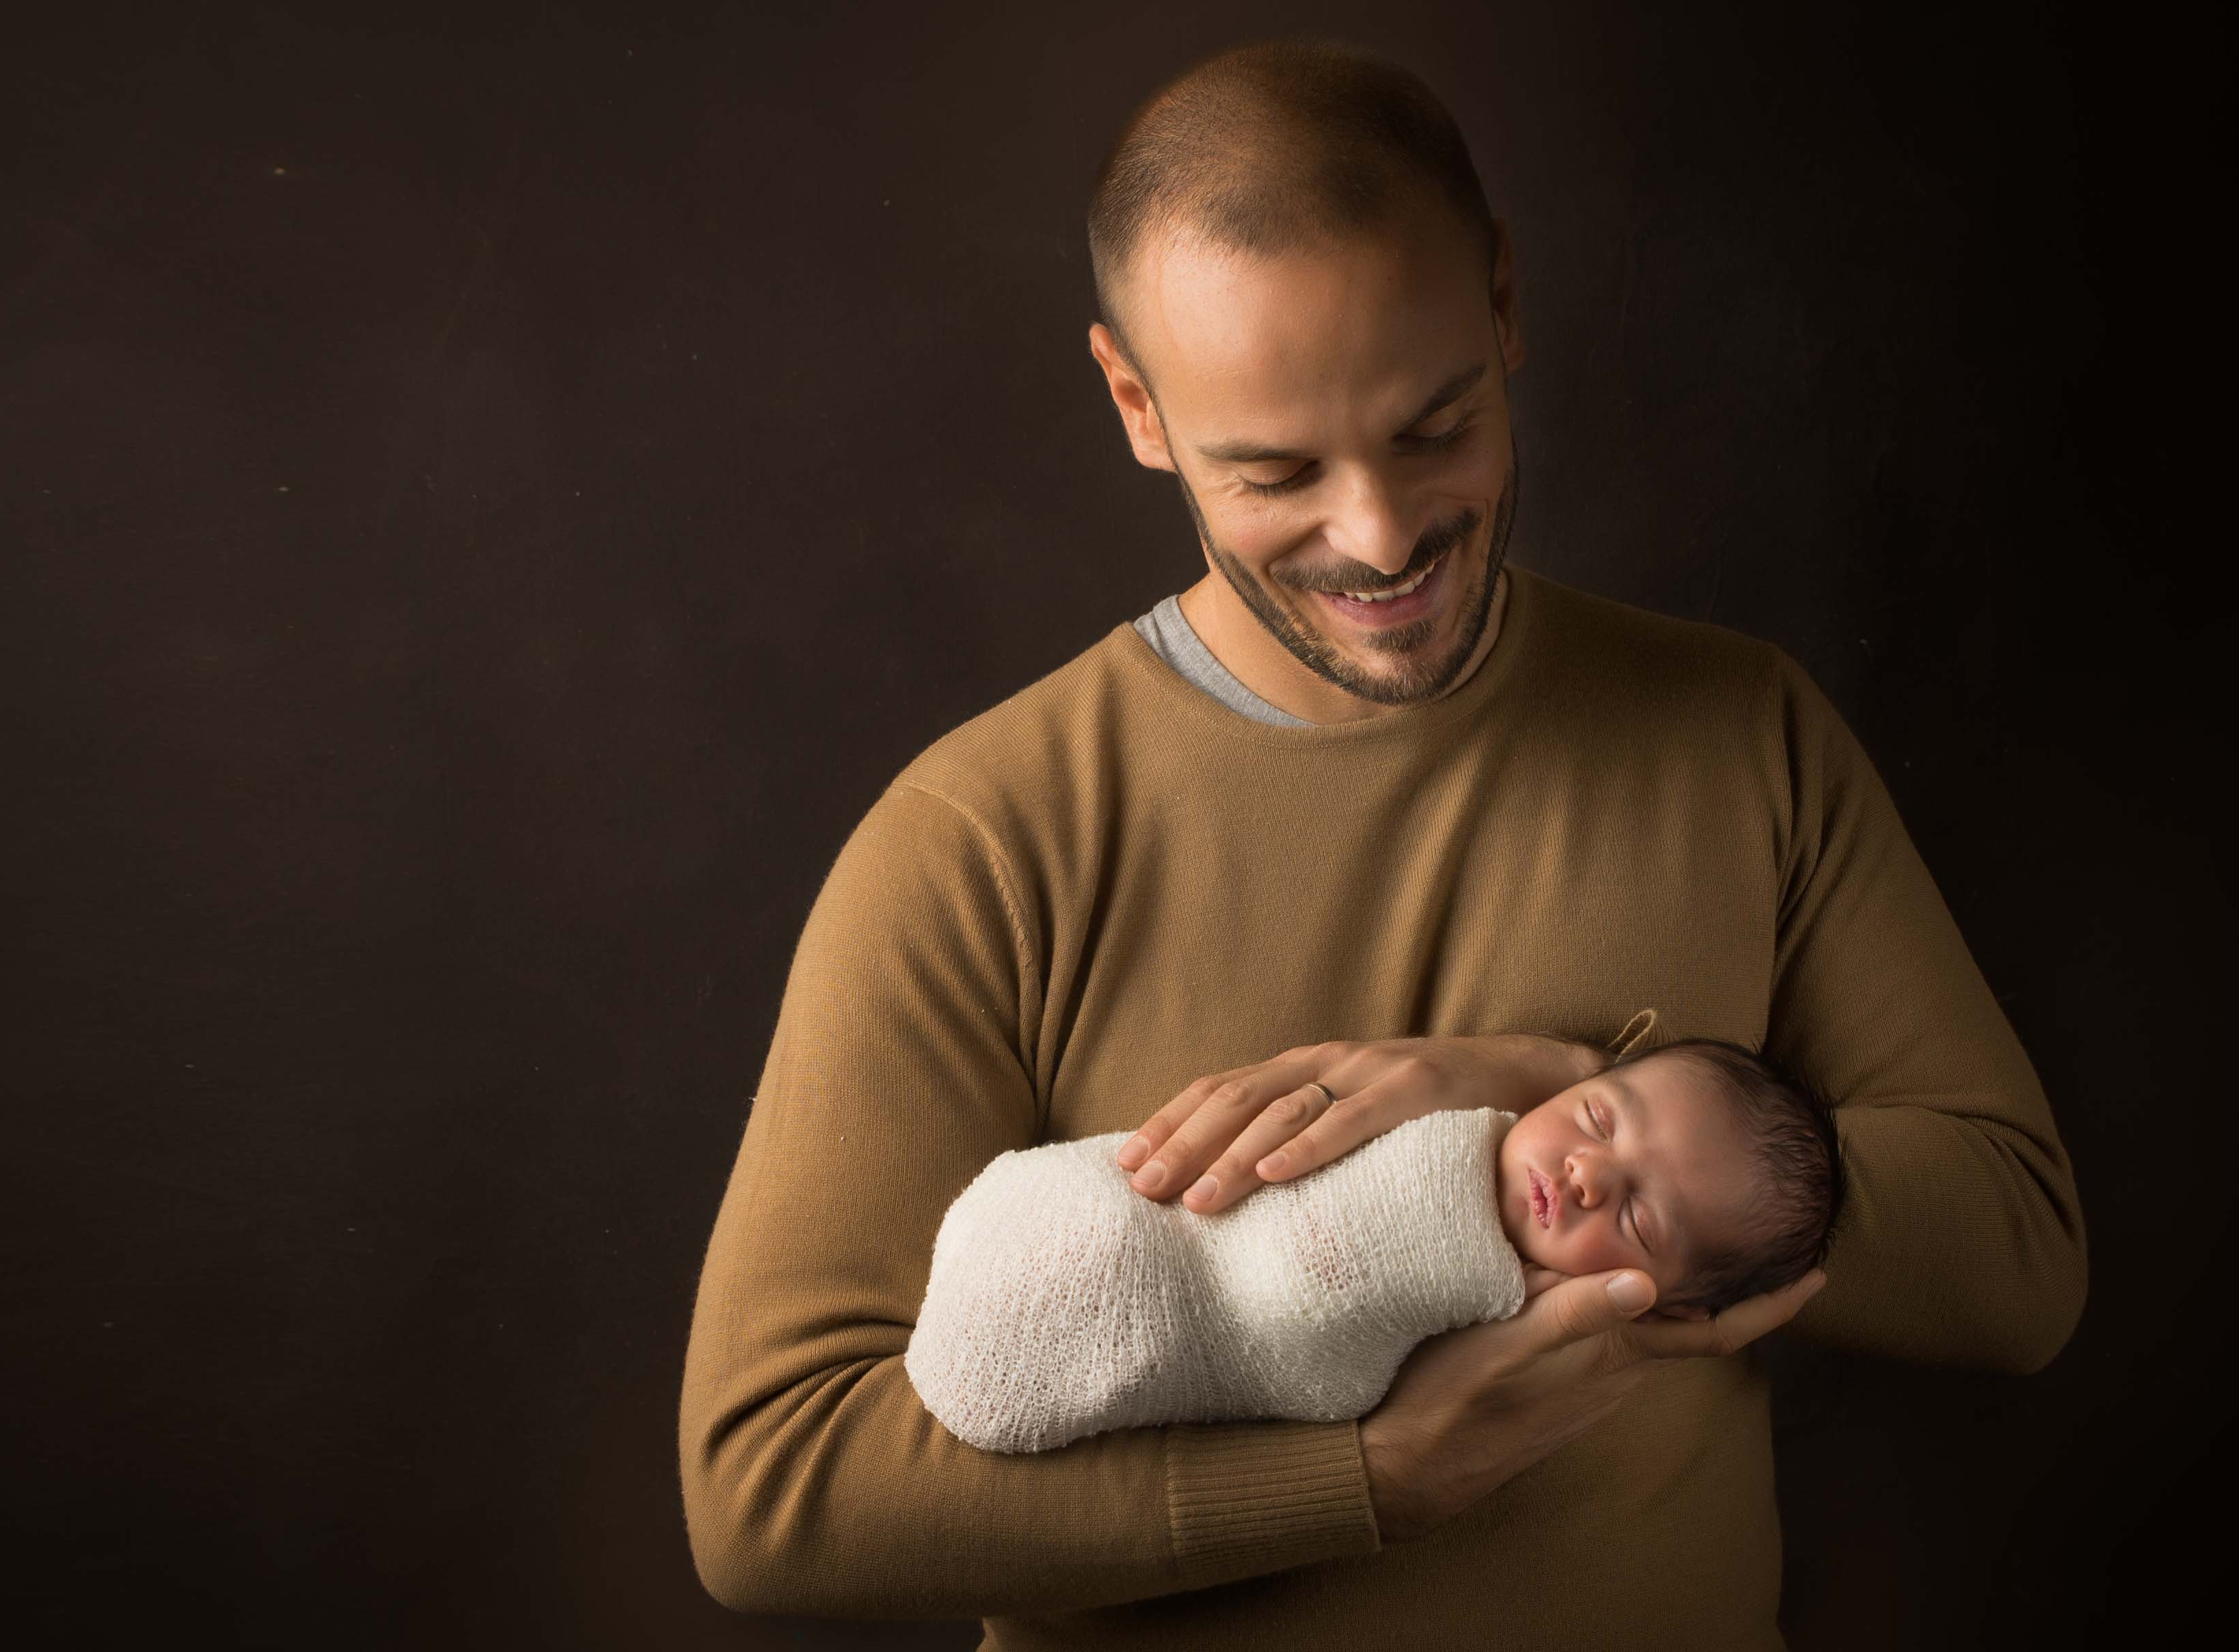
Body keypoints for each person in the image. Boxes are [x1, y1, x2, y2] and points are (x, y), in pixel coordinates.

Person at [678, 36, 2086, 1650]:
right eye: (1274, 471)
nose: (1380, 533)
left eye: (1434, 428)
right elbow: (770, 1491)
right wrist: (1368, 1476)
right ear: (1137, 404)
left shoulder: (1736, 728)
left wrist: (1535, 1079)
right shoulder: (981, 839)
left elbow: (2017, 1255)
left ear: (1501, 303)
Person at [905, 1032, 1847, 1454]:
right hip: (1118, 1215)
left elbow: (1317, 1338)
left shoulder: (1529, 1312)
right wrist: (1549, 1060)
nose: (1588, 1173)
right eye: (1598, 1115)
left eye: (1638, 1219)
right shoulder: (1453, 1119)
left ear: (1669, 1301)